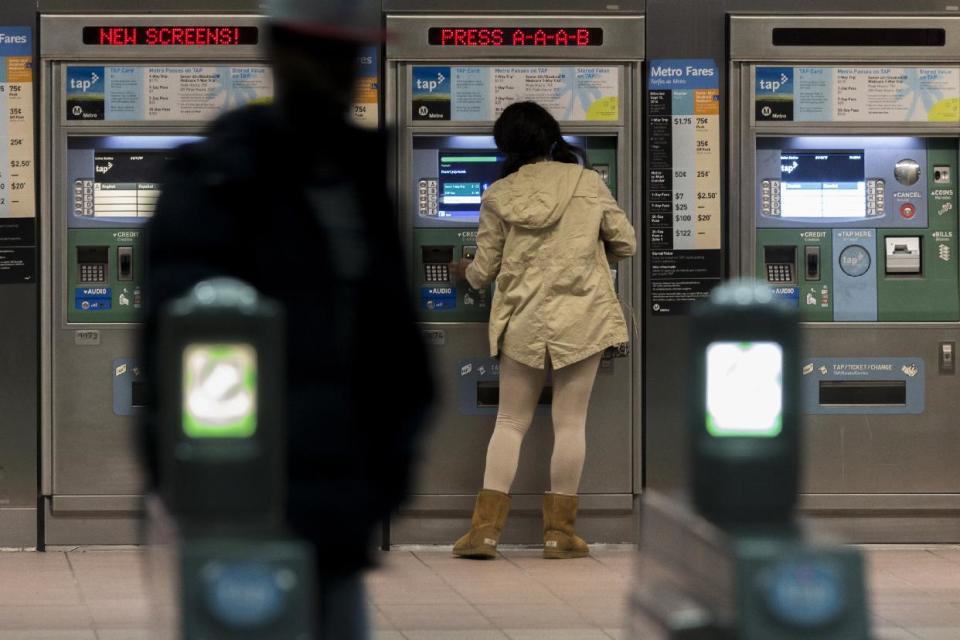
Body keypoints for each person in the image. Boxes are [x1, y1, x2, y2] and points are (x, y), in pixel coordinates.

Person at [139, 0, 433, 636]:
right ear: (274, 53)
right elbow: (170, 353)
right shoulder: (215, 179)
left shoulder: (360, 182)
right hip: (239, 510)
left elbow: (398, 352)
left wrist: (382, 483)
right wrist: (191, 486)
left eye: (346, 55)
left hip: (342, 513)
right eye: (318, 53)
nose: (335, 72)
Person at [450, 101, 636, 560]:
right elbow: (626, 243)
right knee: (570, 422)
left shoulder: (498, 194)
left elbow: (484, 270)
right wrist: (589, 257)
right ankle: (559, 535)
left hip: (523, 317)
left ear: (507, 148)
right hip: (583, 316)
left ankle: (485, 533)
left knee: (510, 422)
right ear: (552, 139)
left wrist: (463, 271)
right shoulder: (588, 183)